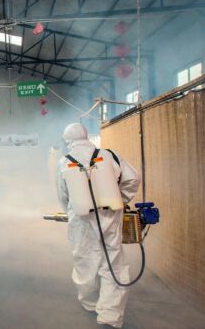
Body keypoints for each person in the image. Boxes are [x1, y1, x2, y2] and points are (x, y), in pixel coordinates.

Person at [55, 123, 140, 328]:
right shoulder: (109, 155)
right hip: (110, 215)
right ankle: (109, 315)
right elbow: (133, 179)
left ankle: (90, 303)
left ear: (67, 140)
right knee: (113, 263)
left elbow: (63, 195)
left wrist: (71, 212)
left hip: (81, 220)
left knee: (85, 260)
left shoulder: (64, 162)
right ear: (86, 136)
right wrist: (121, 200)